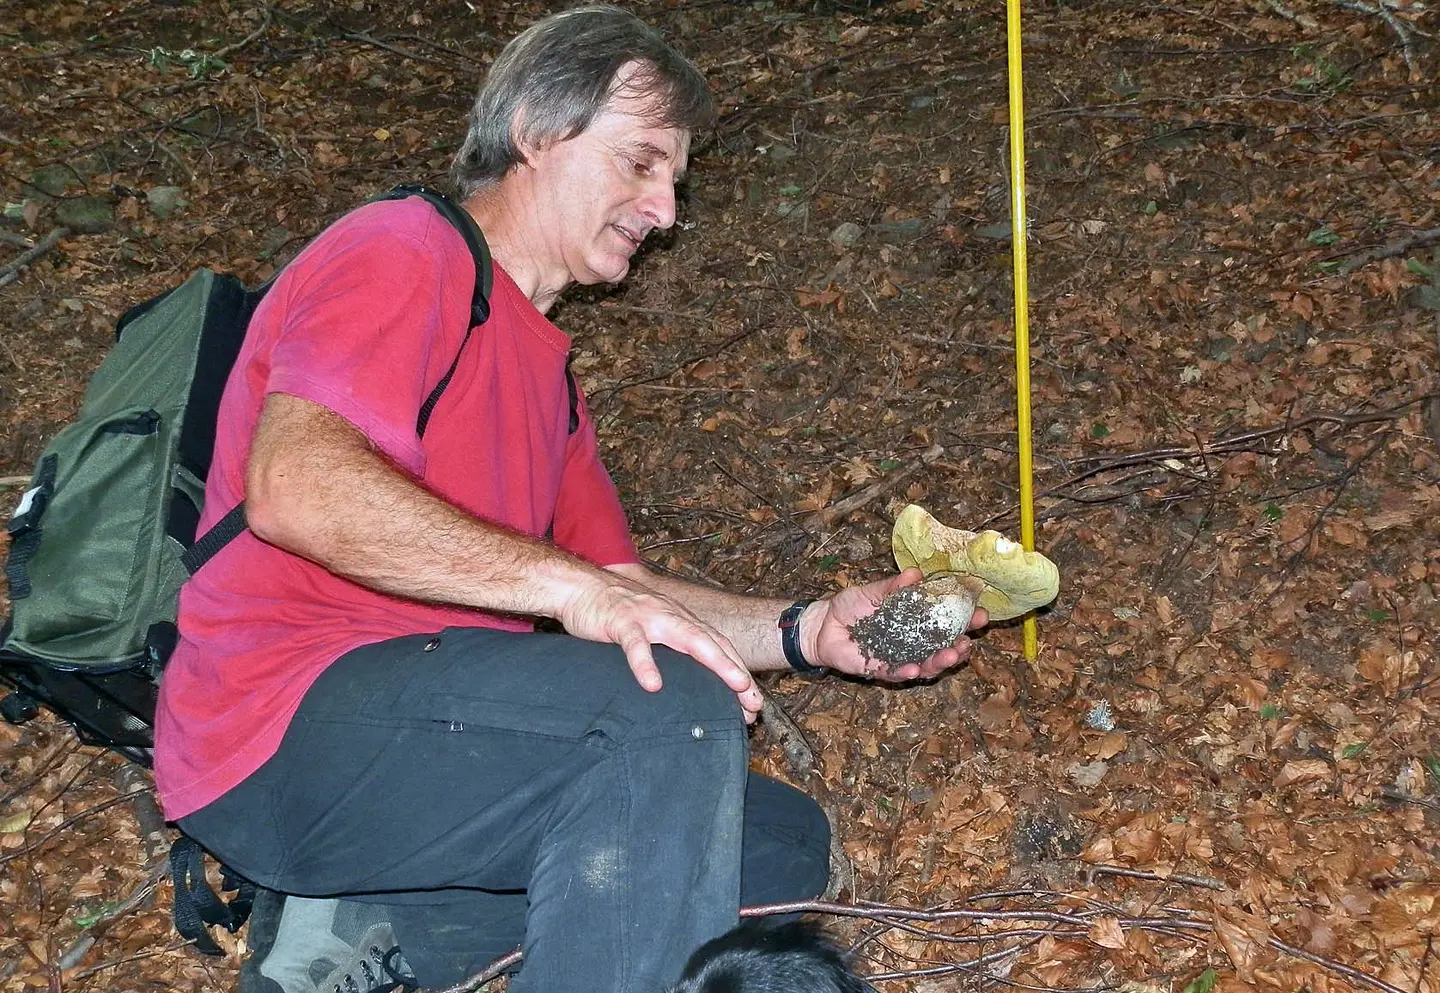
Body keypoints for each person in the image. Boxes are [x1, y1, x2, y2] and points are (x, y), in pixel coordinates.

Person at [152, 6, 985, 993]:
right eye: (641, 162)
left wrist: (809, 630)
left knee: (773, 846)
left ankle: (361, 926)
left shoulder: (548, 382)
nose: (665, 208)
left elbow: (623, 592)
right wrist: (569, 589)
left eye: (676, 177)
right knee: (666, 722)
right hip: (282, 725)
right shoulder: (403, 251)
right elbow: (295, 485)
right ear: (537, 134)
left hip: (431, 739)